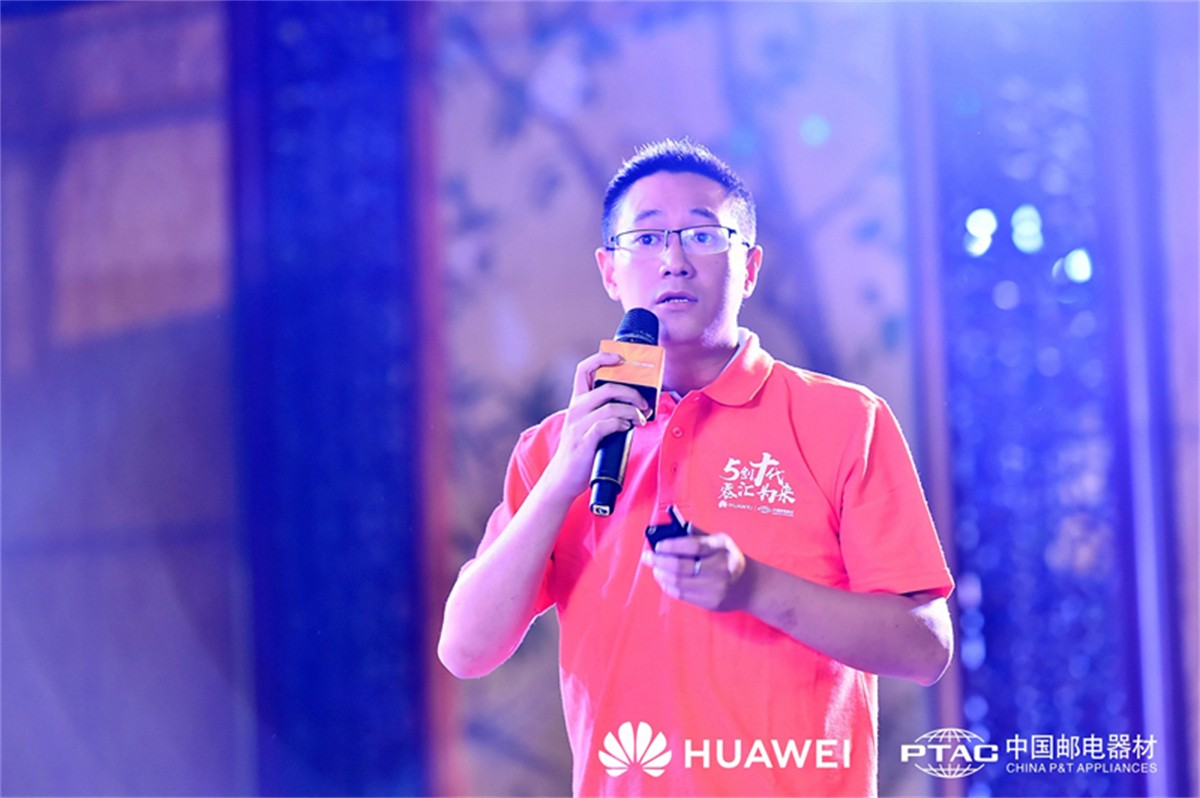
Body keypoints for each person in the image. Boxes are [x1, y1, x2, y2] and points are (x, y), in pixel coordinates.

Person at [439, 139, 955, 796]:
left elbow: (924, 648)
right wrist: (563, 477)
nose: (675, 260)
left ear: (750, 267)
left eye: (704, 236)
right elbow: (466, 649)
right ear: (610, 270)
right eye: (647, 238)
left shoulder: (846, 420)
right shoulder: (554, 449)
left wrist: (751, 588)